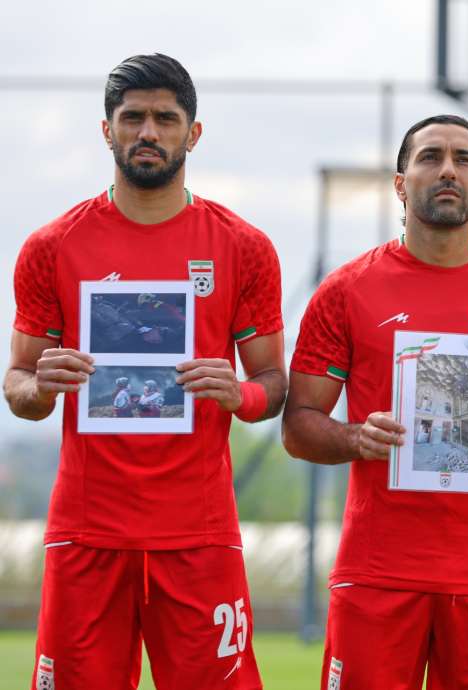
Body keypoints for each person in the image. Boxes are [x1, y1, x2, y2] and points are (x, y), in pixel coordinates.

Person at [4, 54, 286, 689]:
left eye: (165, 118)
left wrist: (235, 391)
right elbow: (18, 384)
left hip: (198, 532)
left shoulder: (243, 247)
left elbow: (273, 387)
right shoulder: (52, 246)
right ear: (107, 130)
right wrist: (40, 383)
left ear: (193, 132)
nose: (148, 133)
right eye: (133, 118)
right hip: (87, 531)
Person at [282, 114, 468, 690]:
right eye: (430, 157)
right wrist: (354, 438)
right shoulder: (347, 290)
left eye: (464, 160)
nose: (448, 170)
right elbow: (299, 425)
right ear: (400, 182)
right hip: (377, 572)